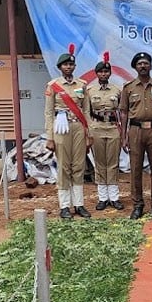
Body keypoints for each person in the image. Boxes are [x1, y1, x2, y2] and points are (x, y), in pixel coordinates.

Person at [44, 44, 93, 219]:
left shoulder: (82, 85)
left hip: (78, 126)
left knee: (79, 165)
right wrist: (49, 137)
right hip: (61, 127)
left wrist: (89, 133)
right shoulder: (53, 86)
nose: (68, 67)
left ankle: (79, 204)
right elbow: (49, 113)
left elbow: (86, 110)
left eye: (71, 65)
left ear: (74, 67)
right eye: (65, 65)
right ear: (60, 67)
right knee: (64, 166)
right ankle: (64, 206)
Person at [120, 52, 152, 219]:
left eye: (146, 63)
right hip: (135, 131)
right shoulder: (128, 88)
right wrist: (123, 136)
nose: (143, 66)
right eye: (140, 63)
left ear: (150, 66)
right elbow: (124, 113)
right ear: (135, 67)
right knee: (135, 168)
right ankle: (138, 205)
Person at [87, 52, 124, 211]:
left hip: (113, 127)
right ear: (96, 74)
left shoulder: (117, 90)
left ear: (110, 73)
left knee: (113, 162)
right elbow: (86, 112)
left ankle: (114, 197)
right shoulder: (90, 90)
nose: (104, 74)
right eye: (101, 72)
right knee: (100, 162)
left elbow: (122, 112)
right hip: (97, 128)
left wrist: (122, 131)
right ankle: (102, 197)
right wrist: (89, 130)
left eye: (106, 72)